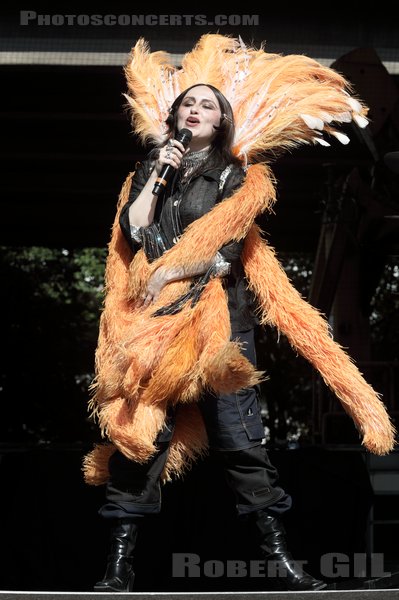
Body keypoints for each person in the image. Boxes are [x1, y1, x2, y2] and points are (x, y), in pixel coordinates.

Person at [83, 35, 396, 593]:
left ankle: (279, 561)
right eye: (187, 104)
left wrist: (170, 270)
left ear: (223, 119)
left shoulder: (240, 177)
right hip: (154, 329)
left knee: (241, 441)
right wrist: (157, 176)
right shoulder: (146, 174)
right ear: (172, 116)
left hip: (219, 327)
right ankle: (117, 567)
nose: (195, 110)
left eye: (206, 104)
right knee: (141, 440)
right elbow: (132, 233)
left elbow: (225, 251)